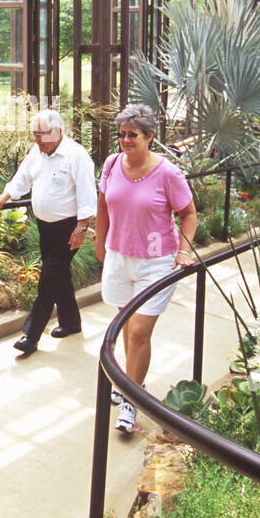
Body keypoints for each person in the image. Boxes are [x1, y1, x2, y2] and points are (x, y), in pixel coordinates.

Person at [94, 104, 197, 435]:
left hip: (155, 261)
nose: (125, 140)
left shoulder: (168, 174)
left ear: (150, 137)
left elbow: (189, 214)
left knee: (139, 331)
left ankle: (130, 400)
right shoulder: (111, 164)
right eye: (122, 134)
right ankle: (129, 378)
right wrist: (101, 242)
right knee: (125, 323)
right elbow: (103, 202)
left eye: (133, 135)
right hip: (119, 257)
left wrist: (183, 251)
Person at [0, 109, 96, 357]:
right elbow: (22, 179)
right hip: (46, 227)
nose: (37, 140)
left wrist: (81, 228)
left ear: (59, 132)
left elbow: (88, 196)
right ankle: (70, 322)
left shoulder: (76, 155)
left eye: (42, 135)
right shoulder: (37, 152)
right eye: (34, 134)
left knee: (48, 279)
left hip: (68, 228)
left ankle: (31, 335)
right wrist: (4, 197)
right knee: (59, 276)